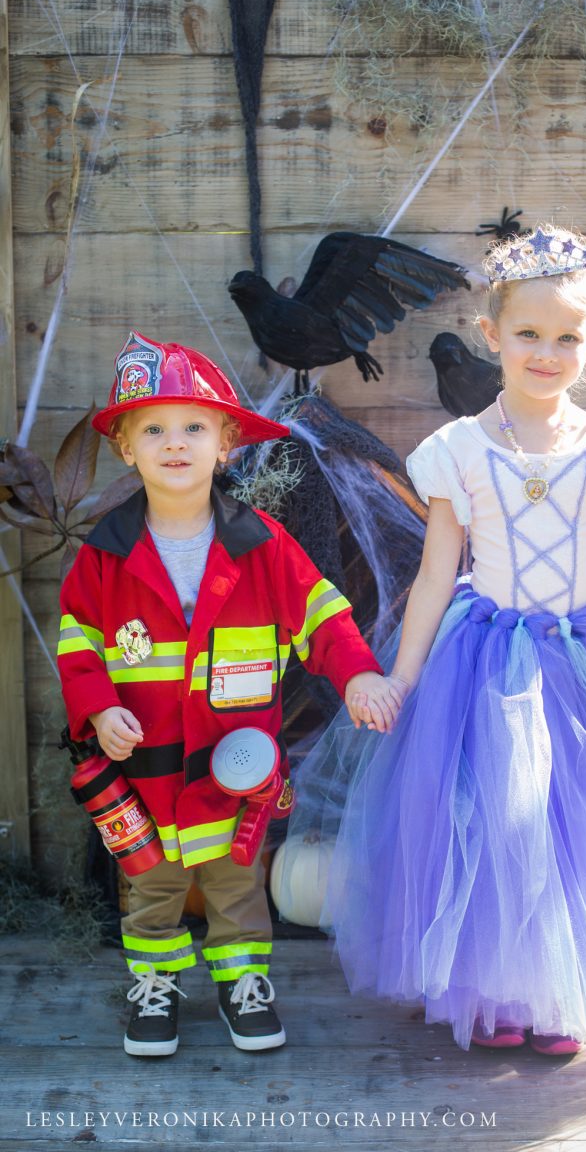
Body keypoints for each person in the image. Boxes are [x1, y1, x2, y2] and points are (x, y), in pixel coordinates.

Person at [285, 225, 586, 1054]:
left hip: (582, 655)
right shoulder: (458, 450)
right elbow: (435, 576)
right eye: (530, 335)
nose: (548, 353)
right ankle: (500, 990)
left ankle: (564, 994)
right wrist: (401, 676)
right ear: (492, 335)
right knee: (485, 821)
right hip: (484, 656)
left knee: (584, 822)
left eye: (568, 338)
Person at [57, 331, 397, 1057]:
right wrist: (98, 707)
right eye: (152, 428)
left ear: (227, 443)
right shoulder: (105, 555)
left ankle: (244, 985)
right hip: (146, 769)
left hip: (232, 772)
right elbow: (78, 644)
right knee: (152, 891)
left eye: (193, 427)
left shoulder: (261, 545)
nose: (173, 443)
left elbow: (322, 614)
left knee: (238, 888)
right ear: (124, 447)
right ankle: (155, 988)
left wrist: (358, 671)